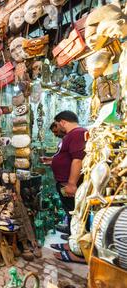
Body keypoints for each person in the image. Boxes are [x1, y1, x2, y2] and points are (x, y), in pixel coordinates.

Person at [47, 111, 87, 264]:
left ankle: (79, 252)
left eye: (56, 125)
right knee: (71, 215)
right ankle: (71, 244)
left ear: (62, 122)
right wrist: (53, 160)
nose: (56, 128)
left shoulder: (77, 133)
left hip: (69, 185)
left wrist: (71, 183)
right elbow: (67, 157)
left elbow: (78, 160)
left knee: (76, 217)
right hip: (64, 183)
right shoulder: (71, 136)